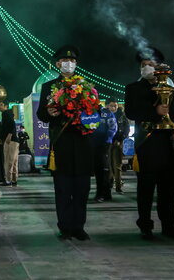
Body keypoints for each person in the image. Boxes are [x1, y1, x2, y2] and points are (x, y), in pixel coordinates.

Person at [37, 45, 99, 241]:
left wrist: (91, 117)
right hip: (61, 143)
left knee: (82, 189)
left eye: (72, 61)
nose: (68, 64)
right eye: (65, 61)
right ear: (58, 64)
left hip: (82, 143)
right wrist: (49, 112)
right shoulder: (49, 87)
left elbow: (95, 114)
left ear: (76, 64)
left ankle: (79, 227)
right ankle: (64, 227)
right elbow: (41, 114)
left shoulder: (87, 86)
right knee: (63, 189)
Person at [124, 47, 174, 240]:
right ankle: (145, 225)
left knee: (168, 189)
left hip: (167, 144)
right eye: (143, 65)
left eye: (150, 64)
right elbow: (131, 112)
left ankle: (169, 224)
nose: (147, 68)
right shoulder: (133, 88)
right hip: (147, 144)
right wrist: (155, 112)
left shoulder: (169, 87)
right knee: (146, 188)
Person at [90, 104, 117, 202]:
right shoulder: (88, 113)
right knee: (97, 169)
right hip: (92, 144)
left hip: (104, 144)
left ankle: (104, 193)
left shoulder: (107, 113)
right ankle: (102, 193)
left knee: (104, 168)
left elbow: (113, 127)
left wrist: (107, 139)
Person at [106, 98, 129, 193]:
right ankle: (108, 184)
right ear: (107, 106)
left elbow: (126, 128)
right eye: (111, 105)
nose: (113, 108)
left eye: (115, 105)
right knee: (108, 165)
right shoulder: (104, 115)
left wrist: (121, 139)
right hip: (107, 143)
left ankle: (118, 186)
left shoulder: (121, 115)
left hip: (117, 143)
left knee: (117, 165)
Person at [0, 101, 19, 187]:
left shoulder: (5, 113)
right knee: (14, 161)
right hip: (15, 141)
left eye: (1, 105)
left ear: (6, 106)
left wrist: (9, 136)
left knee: (8, 161)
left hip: (10, 140)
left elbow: (12, 124)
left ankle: (8, 180)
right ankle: (14, 179)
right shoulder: (10, 113)